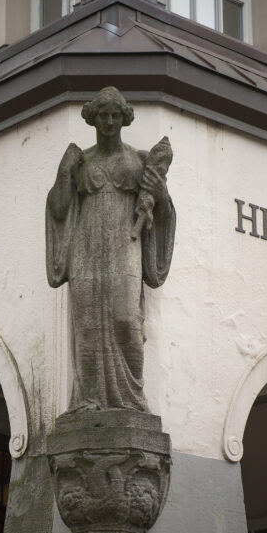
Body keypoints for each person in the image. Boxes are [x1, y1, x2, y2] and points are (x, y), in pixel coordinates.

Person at [46, 87, 176, 412]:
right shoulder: (80, 161)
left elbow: (163, 213)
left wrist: (157, 193)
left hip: (125, 247)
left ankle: (132, 402)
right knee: (86, 326)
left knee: (127, 321)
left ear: (123, 118)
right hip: (85, 251)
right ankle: (88, 400)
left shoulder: (140, 161)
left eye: (114, 115)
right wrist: (64, 171)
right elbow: (59, 209)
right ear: (93, 118)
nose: (108, 121)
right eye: (102, 115)